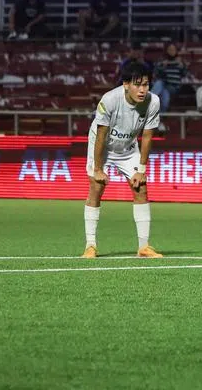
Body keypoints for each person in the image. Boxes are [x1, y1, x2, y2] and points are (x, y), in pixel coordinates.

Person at [82, 60, 162, 259]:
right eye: (137, 84)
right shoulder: (110, 100)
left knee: (141, 188)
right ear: (126, 84)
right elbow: (101, 135)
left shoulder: (153, 102)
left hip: (127, 148)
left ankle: (144, 247)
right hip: (103, 146)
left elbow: (147, 136)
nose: (142, 89)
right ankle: (90, 245)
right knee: (96, 187)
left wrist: (141, 169)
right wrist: (98, 168)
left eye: (145, 84)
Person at [151, 43, 187, 119]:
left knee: (163, 91)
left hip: (173, 86)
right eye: (170, 50)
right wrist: (163, 66)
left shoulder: (180, 61)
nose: (172, 51)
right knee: (160, 84)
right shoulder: (162, 61)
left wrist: (182, 66)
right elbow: (156, 74)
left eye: (173, 49)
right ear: (167, 51)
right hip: (163, 84)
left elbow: (185, 74)